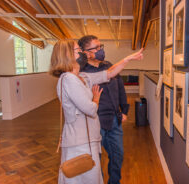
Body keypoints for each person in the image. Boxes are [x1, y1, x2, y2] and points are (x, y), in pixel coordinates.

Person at [49, 39, 143, 184]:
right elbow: (90, 109)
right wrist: (96, 100)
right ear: (68, 54)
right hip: (79, 142)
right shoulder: (68, 79)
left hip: (88, 139)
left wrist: (127, 59)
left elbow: (109, 73)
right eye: (77, 50)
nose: (81, 52)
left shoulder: (81, 77)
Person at [78, 35, 129, 184]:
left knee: (118, 155)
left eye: (101, 47)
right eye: (96, 48)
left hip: (114, 120)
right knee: (95, 160)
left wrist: (124, 111)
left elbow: (120, 90)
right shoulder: (81, 73)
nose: (101, 51)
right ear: (86, 52)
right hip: (94, 122)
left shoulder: (109, 66)